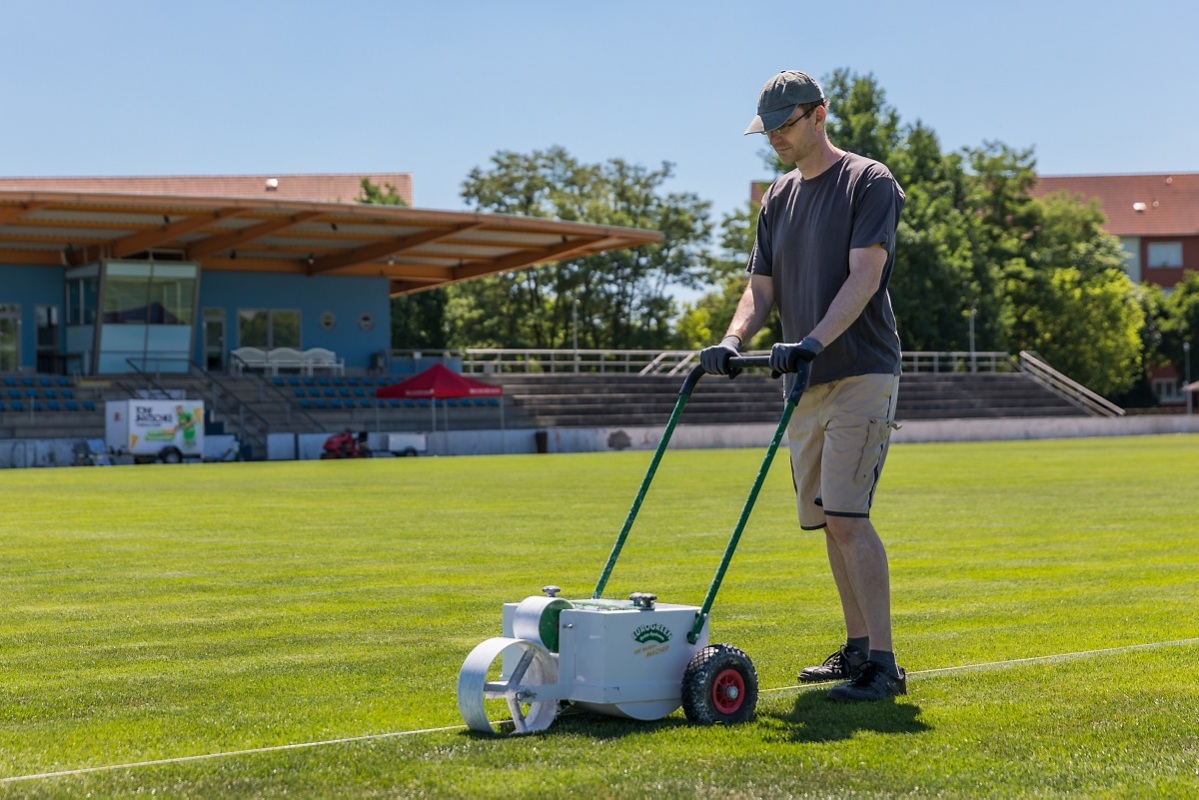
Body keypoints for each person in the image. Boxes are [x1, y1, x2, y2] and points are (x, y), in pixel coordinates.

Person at [700, 69, 907, 702]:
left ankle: (883, 664)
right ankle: (853, 648)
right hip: (803, 380)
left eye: (784, 127)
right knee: (825, 520)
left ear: (819, 115)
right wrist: (734, 339)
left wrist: (814, 338)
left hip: (861, 369)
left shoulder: (868, 182)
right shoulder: (778, 198)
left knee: (849, 517)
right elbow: (759, 289)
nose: (775, 140)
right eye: (767, 131)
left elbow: (865, 275)